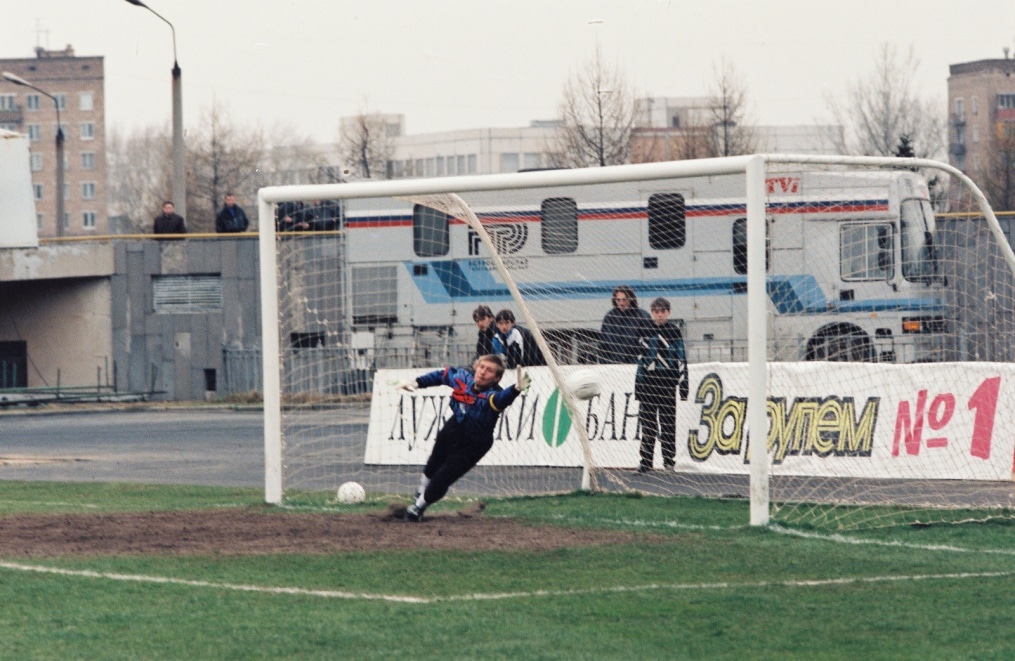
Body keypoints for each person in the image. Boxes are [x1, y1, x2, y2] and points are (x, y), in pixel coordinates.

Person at [396, 354, 530, 522]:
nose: (482, 372)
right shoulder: (463, 377)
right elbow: (442, 375)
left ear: (496, 378)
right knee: (433, 463)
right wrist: (416, 383)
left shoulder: (492, 395)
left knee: (443, 477)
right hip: (455, 427)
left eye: (489, 371)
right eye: (481, 367)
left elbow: (501, 400)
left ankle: (418, 507)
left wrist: (516, 389)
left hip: (475, 443)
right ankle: (420, 492)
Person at [634, 297, 689, 473]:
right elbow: (641, 360)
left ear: (668, 312)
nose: (659, 315)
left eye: (662, 312)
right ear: (652, 313)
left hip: (667, 384)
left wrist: (684, 384)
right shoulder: (644, 330)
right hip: (649, 384)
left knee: (668, 424)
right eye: (656, 312)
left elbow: (681, 358)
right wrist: (638, 385)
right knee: (648, 425)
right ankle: (646, 461)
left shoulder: (674, 331)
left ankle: (668, 461)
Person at [600, 285, 650, 364]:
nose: (621, 303)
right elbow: (603, 344)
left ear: (631, 299)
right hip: (613, 365)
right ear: (615, 300)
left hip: (634, 364)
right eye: (618, 300)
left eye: (624, 300)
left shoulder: (642, 316)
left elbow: (648, 343)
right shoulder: (609, 318)